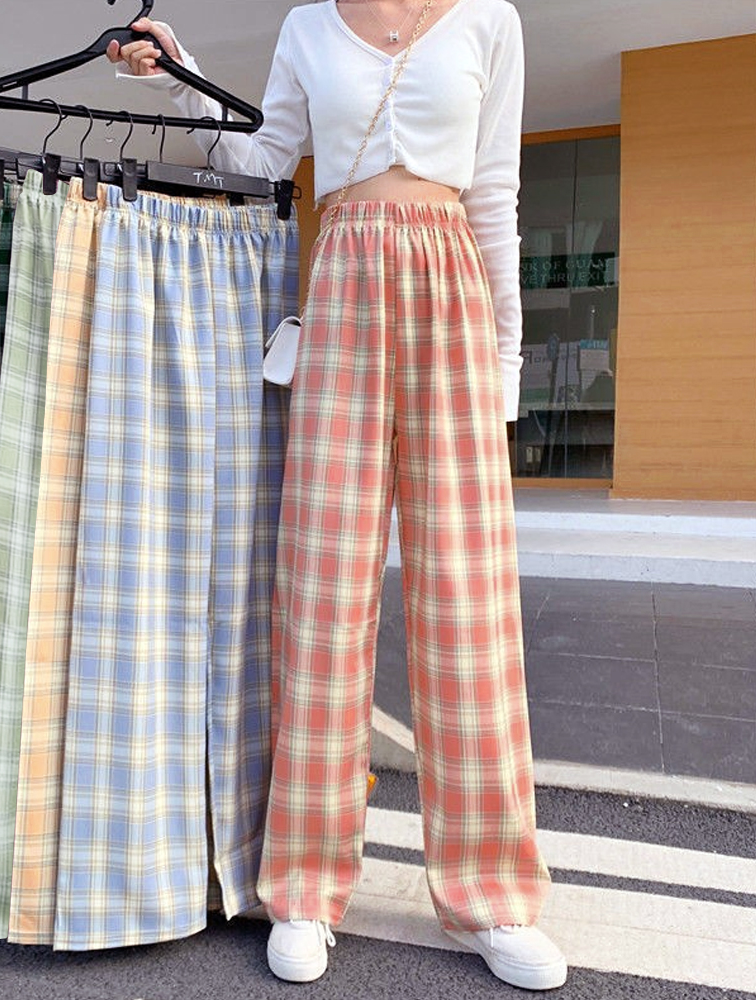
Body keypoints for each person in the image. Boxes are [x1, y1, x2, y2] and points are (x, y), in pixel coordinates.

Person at [108, 0, 567, 990]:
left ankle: (492, 890)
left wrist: (505, 367)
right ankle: (306, 886)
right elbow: (261, 160)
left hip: (452, 290)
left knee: (468, 605)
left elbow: (495, 194)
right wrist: (182, 74)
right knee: (322, 600)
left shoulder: (488, 20)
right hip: (344, 283)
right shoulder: (308, 27)